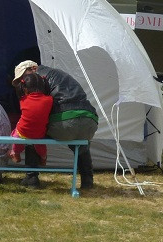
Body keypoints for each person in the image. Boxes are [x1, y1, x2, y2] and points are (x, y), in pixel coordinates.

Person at [13, 60, 99, 190]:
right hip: (90, 120)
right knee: (81, 144)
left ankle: (31, 178)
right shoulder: (59, 74)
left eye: (23, 77)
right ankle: (87, 181)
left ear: (34, 68)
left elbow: (36, 117)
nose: (23, 82)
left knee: (32, 131)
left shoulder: (37, 81)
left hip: (66, 123)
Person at [8, 73, 53, 166]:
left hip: (23, 132)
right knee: (40, 145)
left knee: (16, 134)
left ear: (25, 88)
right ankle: (43, 157)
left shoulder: (22, 100)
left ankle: (15, 153)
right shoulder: (49, 100)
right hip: (39, 133)